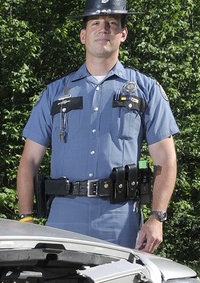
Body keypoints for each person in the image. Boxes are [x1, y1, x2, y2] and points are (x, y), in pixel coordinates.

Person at [16, 0, 178, 255]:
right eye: (95, 23)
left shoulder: (146, 90)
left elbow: (166, 159)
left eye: (112, 24)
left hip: (120, 223)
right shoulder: (55, 93)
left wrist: (156, 218)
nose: (103, 28)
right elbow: (29, 161)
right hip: (63, 221)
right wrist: (26, 219)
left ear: (123, 34)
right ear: (83, 35)